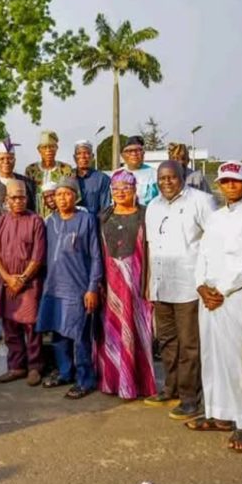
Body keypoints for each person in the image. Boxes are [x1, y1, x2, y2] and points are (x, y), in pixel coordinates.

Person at [188, 161, 242, 453]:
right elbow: (202, 254)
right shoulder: (214, 218)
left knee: (241, 359)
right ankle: (219, 414)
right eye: (224, 181)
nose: (230, 186)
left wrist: (221, 290)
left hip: (238, 296)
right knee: (213, 356)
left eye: (235, 181)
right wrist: (201, 286)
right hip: (209, 297)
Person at [144, 160, 215, 419]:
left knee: (189, 345)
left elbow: (214, 241)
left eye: (171, 177)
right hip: (162, 286)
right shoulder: (153, 206)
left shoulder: (201, 202)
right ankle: (170, 388)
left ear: (181, 176)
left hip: (188, 286)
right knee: (167, 342)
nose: (166, 182)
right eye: (162, 178)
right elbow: (152, 248)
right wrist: (150, 285)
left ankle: (190, 399)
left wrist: (208, 281)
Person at [37, 177, 102, 399]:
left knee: (79, 337)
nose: (63, 198)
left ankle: (86, 380)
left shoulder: (87, 220)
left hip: (78, 289)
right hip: (54, 287)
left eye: (67, 194)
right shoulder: (49, 222)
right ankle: (65, 373)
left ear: (76, 196)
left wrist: (92, 287)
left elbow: (96, 256)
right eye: (58, 194)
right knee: (58, 335)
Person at [96, 169, 156, 400]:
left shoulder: (145, 215)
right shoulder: (104, 216)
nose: (121, 192)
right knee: (113, 331)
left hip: (138, 285)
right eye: (116, 188)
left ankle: (136, 384)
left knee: (138, 330)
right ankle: (114, 382)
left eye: (126, 188)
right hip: (111, 284)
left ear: (135, 190)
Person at [0, 179, 46, 385]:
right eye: (14, 197)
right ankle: (16, 367)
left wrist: (22, 279)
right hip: (7, 282)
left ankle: (35, 367)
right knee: (10, 328)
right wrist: (8, 278)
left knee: (32, 327)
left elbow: (38, 256)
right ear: (6, 200)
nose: (19, 200)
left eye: (22, 196)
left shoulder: (36, 221)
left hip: (29, 284)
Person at [0, 138, 36, 344]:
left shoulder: (25, 183)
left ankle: (21, 322)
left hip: (22, 244)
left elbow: (33, 213)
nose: (6, 162)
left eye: (10, 158)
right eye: (2, 158)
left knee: (22, 283)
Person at [24, 130, 73, 218]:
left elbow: (73, 198)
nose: (48, 150)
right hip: (35, 219)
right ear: (39, 150)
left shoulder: (66, 169)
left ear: (57, 148)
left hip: (60, 219)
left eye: (52, 147)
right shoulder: (31, 170)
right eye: (45, 147)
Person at [73, 140, 111, 215]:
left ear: (92, 156)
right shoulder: (68, 177)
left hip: (94, 223)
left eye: (87, 153)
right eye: (79, 153)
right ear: (74, 157)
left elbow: (105, 208)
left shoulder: (102, 178)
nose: (83, 157)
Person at [119, 136, 158, 206]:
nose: (134, 154)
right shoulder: (116, 175)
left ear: (143, 153)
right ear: (122, 155)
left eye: (138, 150)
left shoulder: (155, 174)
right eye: (129, 151)